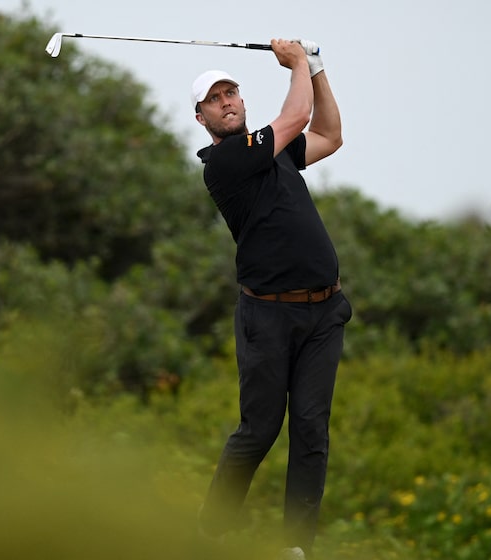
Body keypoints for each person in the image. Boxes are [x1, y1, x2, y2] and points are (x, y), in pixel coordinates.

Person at [191, 38, 352, 560]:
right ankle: (209, 535)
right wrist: (298, 64)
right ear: (202, 118)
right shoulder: (226, 163)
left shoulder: (274, 153)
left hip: (324, 311)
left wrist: (318, 68)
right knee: (259, 430)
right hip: (268, 315)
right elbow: (298, 112)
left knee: (311, 429)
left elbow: (328, 133)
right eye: (216, 99)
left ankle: (296, 547)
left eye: (232, 91)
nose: (228, 101)